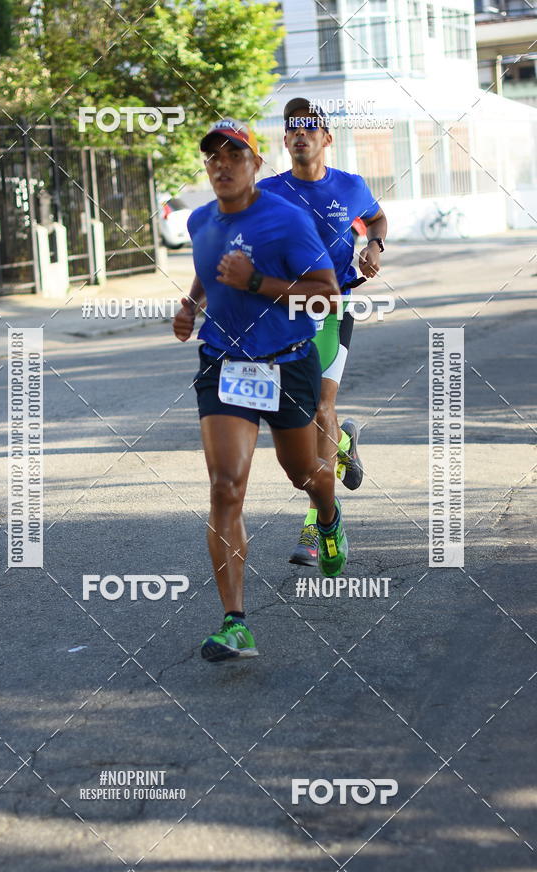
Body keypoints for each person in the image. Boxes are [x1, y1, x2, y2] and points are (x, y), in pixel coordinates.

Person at [173, 118, 347, 663]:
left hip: (287, 363)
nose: (222, 165)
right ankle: (235, 623)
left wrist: (256, 282)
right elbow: (210, 270)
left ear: (255, 164)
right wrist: (192, 306)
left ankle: (328, 516)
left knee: (304, 474)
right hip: (223, 364)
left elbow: (327, 297)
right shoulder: (200, 220)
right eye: (213, 157)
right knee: (225, 486)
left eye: (234, 156)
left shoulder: (287, 220)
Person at [258, 98, 388, 566]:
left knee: (320, 408)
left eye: (309, 128)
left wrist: (374, 245)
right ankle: (345, 442)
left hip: (333, 305)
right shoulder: (268, 191)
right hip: (285, 313)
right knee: (298, 417)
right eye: (292, 128)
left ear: (326, 138)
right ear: (285, 140)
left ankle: (317, 525)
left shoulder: (350, 185)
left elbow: (376, 217)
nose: (300, 134)